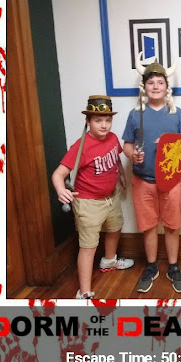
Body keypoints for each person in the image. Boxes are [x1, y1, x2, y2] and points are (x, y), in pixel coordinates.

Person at [52, 95, 134, 300]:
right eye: (98, 120)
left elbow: (116, 158)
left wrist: (120, 174)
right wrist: (61, 190)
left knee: (115, 228)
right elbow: (58, 174)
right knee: (88, 247)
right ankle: (84, 292)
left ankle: (109, 260)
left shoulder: (113, 138)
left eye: (108, 120)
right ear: (88, 121)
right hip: (88, 203)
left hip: (111, 197)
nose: (104, 125)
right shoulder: (81, 147)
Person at [122, 56, 181, 294]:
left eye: (160, 82)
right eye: (151, 82)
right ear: (144, 87)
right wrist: (132, 155)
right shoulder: (135, 114)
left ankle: (173, 267)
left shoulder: (177, 113)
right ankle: (151, 266)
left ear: (166, 87)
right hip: (143, 180)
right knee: (149, 226)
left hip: (171, 181)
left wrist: (169, 143)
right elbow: (127, 145)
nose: (155, 86)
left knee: (172, 226)